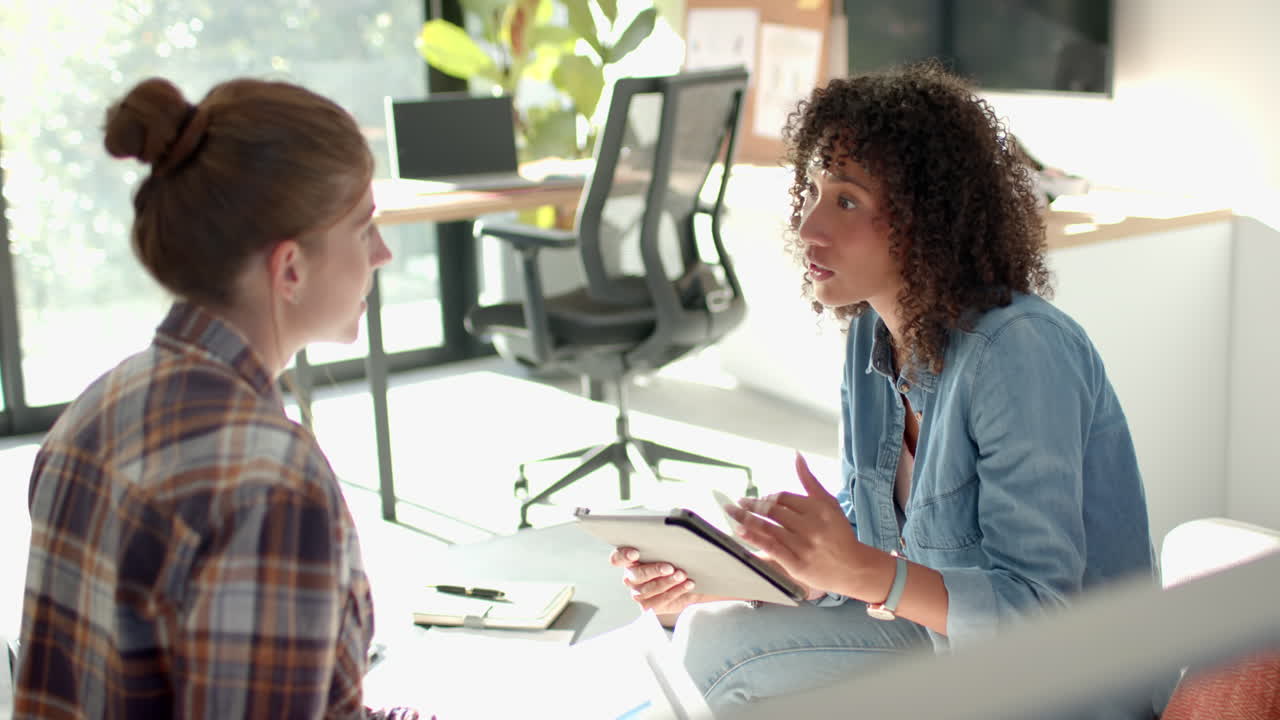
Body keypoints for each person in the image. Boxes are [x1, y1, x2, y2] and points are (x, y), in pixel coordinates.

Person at [610, 61, 1161, 717]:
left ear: (929, 218)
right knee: (710, 633)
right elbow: (870, 544)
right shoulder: (873, 339)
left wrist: (862, 571)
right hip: (946, 648)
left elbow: (1040, 616)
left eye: (847, 200)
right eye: (812, 193)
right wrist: (742, 571)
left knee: (727, 679)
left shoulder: (1019, 353)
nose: (809, 227)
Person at [14, 77, 419, 719]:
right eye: (364, 228)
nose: (383, 253)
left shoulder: (89, 415)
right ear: (290, 269)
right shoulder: (273, 485)